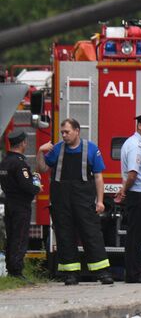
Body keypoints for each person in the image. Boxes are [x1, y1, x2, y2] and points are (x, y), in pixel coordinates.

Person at [36, 118, 113, 285]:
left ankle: (102, 272)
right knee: (64, 235)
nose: (64, 135)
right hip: (61, 201)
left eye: (67, 132)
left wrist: (100, 201)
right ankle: (71, 274)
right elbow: (42, 169)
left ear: (77, 131)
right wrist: (40, 152)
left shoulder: (91, 149)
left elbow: (99, 177)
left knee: (91, 234)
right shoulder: (56, 149)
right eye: (62, 132)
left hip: (83, 199)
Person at [115, 111, 141, 284]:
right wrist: (124, 190)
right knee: (135, 236)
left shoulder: (138, 144)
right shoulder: (136, 146)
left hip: (138, 193)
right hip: (137, 194)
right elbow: (132, 174)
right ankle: (134, 274)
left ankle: (134, 272)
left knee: (136, 235)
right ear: (139, 125)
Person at [0, 131, 41, 280]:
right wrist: (36, 184)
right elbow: (28, 186)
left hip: (9, 203)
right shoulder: (20, 164)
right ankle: (16, 271)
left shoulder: (4, 162)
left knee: (10, 237)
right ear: (23, 143)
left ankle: (10, 269)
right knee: (20, 237)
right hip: (21, 206)